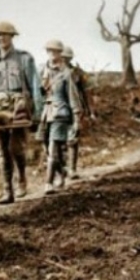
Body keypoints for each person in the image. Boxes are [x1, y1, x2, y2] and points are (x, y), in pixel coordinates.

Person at [0, 21, 43, 204]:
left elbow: (35, 87)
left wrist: (37, 114)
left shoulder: (24, 58)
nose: (1, 38)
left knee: (15, 148)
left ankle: (22, 177)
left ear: (12, 37)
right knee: (2, 149)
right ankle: (8, 190)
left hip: (18, 107)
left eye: (4, 35)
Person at [38, 40, 82, 194]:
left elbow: (73, 96)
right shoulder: (42, 70)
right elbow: (37, 93)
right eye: (49, 51)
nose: (52, 54)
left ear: (60, 53)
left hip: (60, 114)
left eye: (55, 51)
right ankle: (61, 172)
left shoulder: (66, 73)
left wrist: (76, 119)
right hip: (45, 114)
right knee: (47, 149)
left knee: (53, 147)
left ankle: (48, 183)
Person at [61, 45, 95, 178]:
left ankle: (72, 169)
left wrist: (91, 111)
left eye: (66, 58)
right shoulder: (54, 71)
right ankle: (61, 168)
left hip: (75, 108)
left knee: (73, 138)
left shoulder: (78, 73)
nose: (64, 60)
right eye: (62, 57)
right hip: (59, 109)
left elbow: (87, 93)